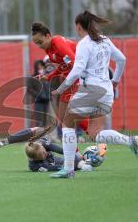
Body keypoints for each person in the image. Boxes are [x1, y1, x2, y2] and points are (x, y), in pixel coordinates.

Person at [50, 10, 138, 178]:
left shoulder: (84, 43)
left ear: (78, 26)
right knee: (95, 133)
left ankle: (68, 169)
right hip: (106, 92)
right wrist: (115, 81)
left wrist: (60, 89)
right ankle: (131, 141)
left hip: (91, 90)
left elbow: (77, 69)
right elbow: (122, 59)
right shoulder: (105, 40)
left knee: (67, 123)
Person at [31, 22, 89, 134]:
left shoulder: (57, 41)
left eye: (40, 42)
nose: (39, 46)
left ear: (48, 36)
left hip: (82, 76)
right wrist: (48, 77)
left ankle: (93, 132)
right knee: (63, 119)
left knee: (66, 118)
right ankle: (89, 135)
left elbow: (74, 64)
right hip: (73, 78)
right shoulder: (48, 49)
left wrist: (62, 87)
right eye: (36, 44)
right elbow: (64, 67)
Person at [0, 128, 106, 172]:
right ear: (35, 159)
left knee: (37, 130)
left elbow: (62, 150)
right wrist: (79, 165)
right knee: (75, 162)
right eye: (42, 156)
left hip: (51, 154)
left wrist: (77, 154)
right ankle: (87, 162)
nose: (44, 154)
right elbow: (54, 167)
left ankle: (2, 142)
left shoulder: (43, 144)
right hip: (53, 162)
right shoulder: (36, 166)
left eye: (44, 152)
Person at [27, 60, 50, 127]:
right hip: (38, 101)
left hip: (46, 100)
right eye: (38, 66)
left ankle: (45, 134)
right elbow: (29, 89)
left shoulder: (47, 76)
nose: (40, 67)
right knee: (39, 118)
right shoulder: (34, 77)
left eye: (41, 66)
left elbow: (50, 86)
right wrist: (38, 95)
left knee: (46, 118)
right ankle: (39, 133)